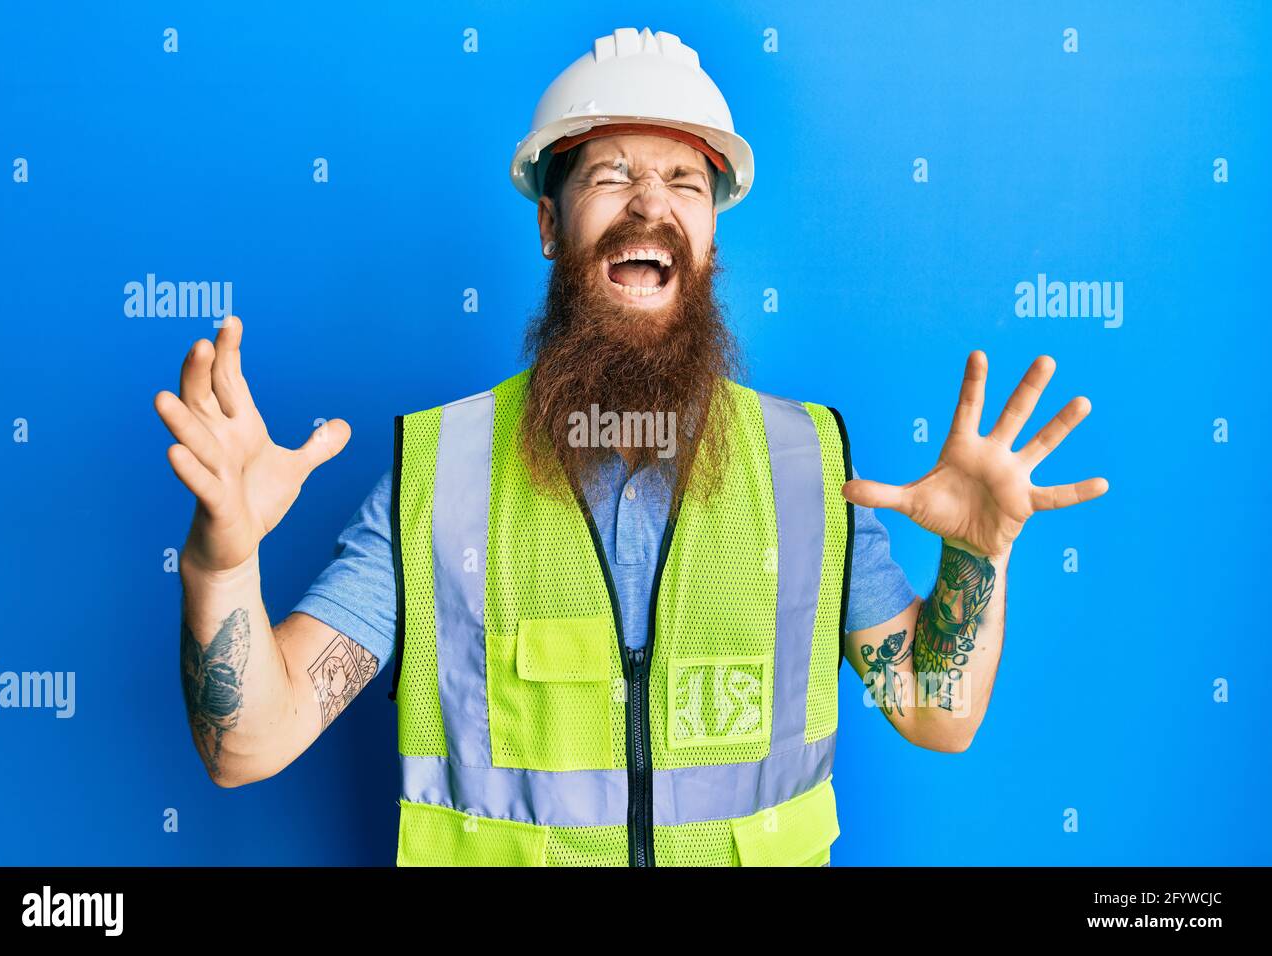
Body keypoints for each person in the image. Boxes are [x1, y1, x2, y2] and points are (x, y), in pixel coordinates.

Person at [154, 27, 1108, 867]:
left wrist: (977, 558)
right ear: (548, 224)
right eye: (611, 176)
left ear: (709, 235)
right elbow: (247, 746)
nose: (650, 205)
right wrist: (223, 562)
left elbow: (937, 710)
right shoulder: (436, 475)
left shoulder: (810, 470)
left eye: (685, 182)